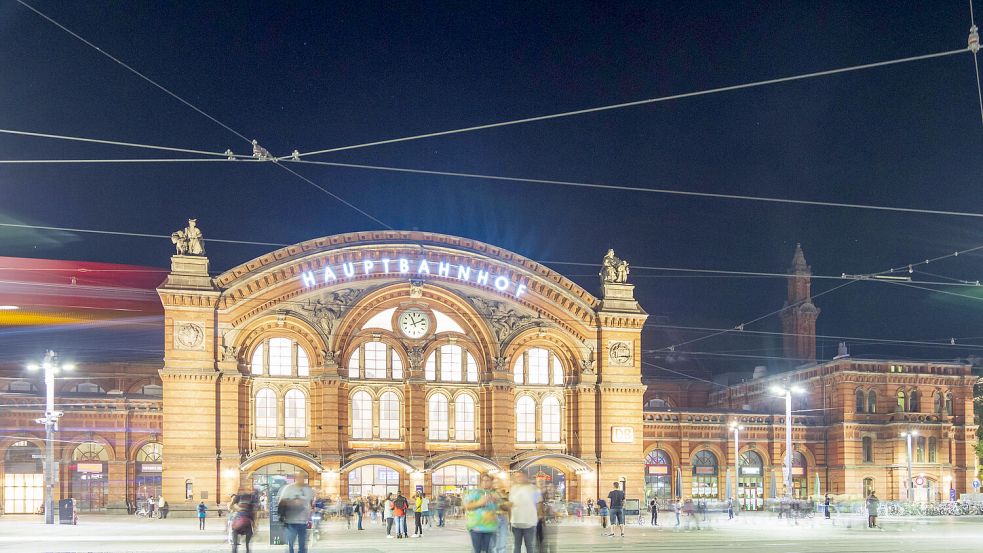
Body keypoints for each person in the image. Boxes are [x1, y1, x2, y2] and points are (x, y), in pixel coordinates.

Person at [276, 472, 315, 553]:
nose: (301, 479)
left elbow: (311, 503)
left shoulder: (308, 490)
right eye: (299, 477)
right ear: (295, 478)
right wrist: (293, 502)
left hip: (303, 522)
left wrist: (311, 511)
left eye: (302, 477)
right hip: (290, 521)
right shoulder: (289, 488)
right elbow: (281, 502)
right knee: (291, 545)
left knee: (302, 546)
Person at [463, 473, 501, 553]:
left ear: (491, 482)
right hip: (476, 527)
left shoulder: (494, 494)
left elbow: (500, 509)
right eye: (483, 481)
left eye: (487, 481)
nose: (485, 482)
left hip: (490, 528)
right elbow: (466, 506)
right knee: (477, 550)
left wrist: (497, 501)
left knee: (489, 550)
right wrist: (479, 503)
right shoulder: (474, 492)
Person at [509, 471, 542, 552]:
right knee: (517, 545)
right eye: (517, 476)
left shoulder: (533, 488)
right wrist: (509, 520)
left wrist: (538, 516)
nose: (519, 478)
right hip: (516, 522)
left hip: (529, 522)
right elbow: (510, 504)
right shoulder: (513, 489)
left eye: (520, 476)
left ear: (526, 476)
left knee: (529, 545)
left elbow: (539, 503)